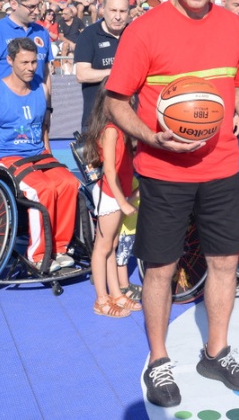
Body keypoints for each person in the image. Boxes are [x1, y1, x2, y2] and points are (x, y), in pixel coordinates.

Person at [106, 0, 239, 407]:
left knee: (224, 262)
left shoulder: (234, 28)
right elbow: (116, 101)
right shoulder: (145, 29)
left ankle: (215, 352)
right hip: (163, 169)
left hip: (220, 167)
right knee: (160, 269)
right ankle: (157, 361)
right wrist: (152, 137)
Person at [0, 37, 80, 271]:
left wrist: (49, 154)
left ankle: (60, 248)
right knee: (41, 188)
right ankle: (38, 254)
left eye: (34, 62)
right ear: (10, 60)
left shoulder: (41, 88)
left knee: (68, 182)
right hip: (5, 157)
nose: (31, 68)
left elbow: (43, 126)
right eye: (24, 62)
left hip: (37, 153)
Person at [82, 79, 141, 317]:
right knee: (102, 247)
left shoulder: (120, 129)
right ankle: (101, 299)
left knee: (112, 245)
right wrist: (123, 201)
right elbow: (109, 171)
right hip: (109, 195)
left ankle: (115, 293)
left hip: (117, 193)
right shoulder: (110, 130)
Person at [74, 0, 129, 130]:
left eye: (122, 11)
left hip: (129, 121)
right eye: (113, 10)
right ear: (102, 10)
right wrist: (117, 72)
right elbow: (82, 74)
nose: (118, 16)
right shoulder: (89, 35)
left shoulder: (134, 34)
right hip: (96, 121)